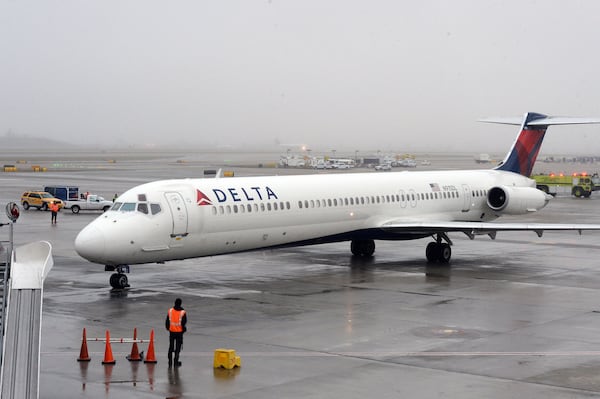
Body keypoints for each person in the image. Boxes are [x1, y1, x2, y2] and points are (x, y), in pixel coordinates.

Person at [165, 298, 187, 367]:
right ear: (180, 304)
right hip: (179, 332)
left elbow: (167, 321)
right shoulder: (183, 312)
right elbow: (184, 322)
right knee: (178, 347)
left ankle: (170, 361)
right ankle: (176, 361)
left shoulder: (170, 311)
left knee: (171, 347)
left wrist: (168, 328)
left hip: (172, 331)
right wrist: (184, 329)